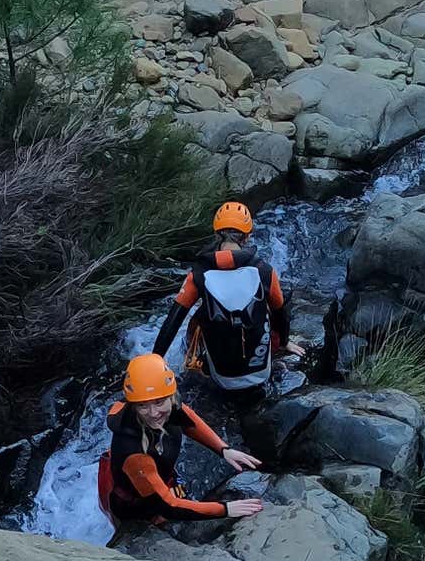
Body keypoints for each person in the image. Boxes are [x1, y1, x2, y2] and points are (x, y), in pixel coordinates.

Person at [150, 200, 304, 399]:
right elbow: (280, 312)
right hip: (261, 374)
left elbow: (172, 322)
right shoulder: (265, 271)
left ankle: (200, 363)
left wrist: (154, 363)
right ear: (247, 237)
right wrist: (284, 342)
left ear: (216, 235)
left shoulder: (198, 275)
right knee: (271, 304)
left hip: (221, 377)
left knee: (200, 313)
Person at [98, 353, 266, 525]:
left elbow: (187, 420)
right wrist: (225, 509)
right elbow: (168, 506)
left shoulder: (169, 405)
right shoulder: (134, 453)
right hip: (135, 502)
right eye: (143, 405)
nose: (153, 413)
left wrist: (224, 450)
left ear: (171, 396)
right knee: (160, 518)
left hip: (154, 476)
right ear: (133, 404)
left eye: (158, 402)